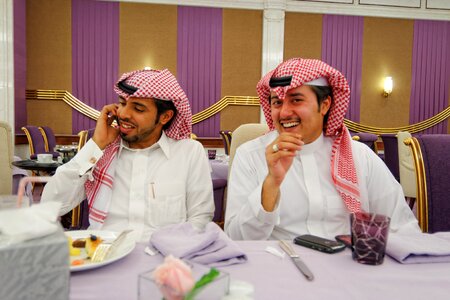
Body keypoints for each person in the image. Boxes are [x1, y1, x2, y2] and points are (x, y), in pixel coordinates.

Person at [225, 58, 420, 240]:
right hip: (280, 267)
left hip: (349, 268)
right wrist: (271, 183)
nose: (284, 113)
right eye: (277, 102)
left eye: (296, 100)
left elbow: (403, 228)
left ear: (325, 105)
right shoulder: (250, 156)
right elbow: (236, 238)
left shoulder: (360, 156)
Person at [42, 69, 214, 242]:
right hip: (105, 256)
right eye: (122, 103)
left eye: (138, 109)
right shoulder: (101, 152)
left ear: (165, 117)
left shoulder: (189, 152)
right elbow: (50, 205)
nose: (123, 114)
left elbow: (200, 219)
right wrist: (96, 145)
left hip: (163, 258)